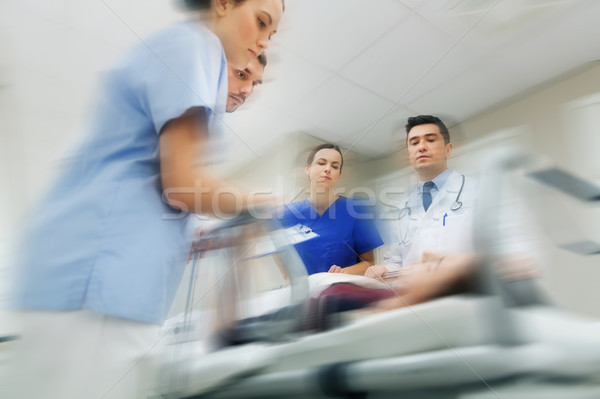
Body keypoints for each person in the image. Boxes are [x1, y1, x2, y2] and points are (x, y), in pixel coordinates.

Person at [9, 1, 285, 398]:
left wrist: (199, 237)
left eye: (271, 35)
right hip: (95, 284)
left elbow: (159, 191)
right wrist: (258, 201)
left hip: (87, 279)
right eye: (261, 22)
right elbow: (184, 185)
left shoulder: (190, 57)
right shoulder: (196, 47)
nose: (262, 43)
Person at [366, 115, 479, 279]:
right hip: (415, 296)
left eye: (430, 140)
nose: (421, 147)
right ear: (409, 153)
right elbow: (395, 260)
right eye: (414, 142)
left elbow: (504, 248)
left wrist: (454, 264)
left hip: (465, 290)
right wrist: (383, 269)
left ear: (448, 149)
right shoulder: (400, 208)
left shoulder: (477, 190)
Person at [280, 143, 383, 276]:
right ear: (307, 169)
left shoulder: (357, 209)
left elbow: (370, 263)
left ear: (338, 175)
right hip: (307, 294)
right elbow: (279, 254)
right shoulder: (289, 214)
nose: (328, 169)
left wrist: (341, 273)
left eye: (335, 166)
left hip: (346, 291)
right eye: (321, 163)